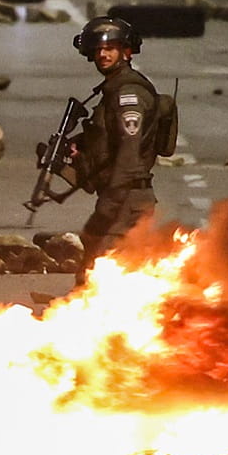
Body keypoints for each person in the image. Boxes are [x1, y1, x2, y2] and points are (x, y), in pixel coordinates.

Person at [67, 17, 160, 268]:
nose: (102, 55)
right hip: (119, 197)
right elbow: (108, 138)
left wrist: (107, 209)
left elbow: (129, 155)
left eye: (110, 49)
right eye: (98, 49)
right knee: (93, 266)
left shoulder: (128, 94)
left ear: (126, 52)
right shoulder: (112, 90)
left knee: (104, 269)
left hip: (127, 199)